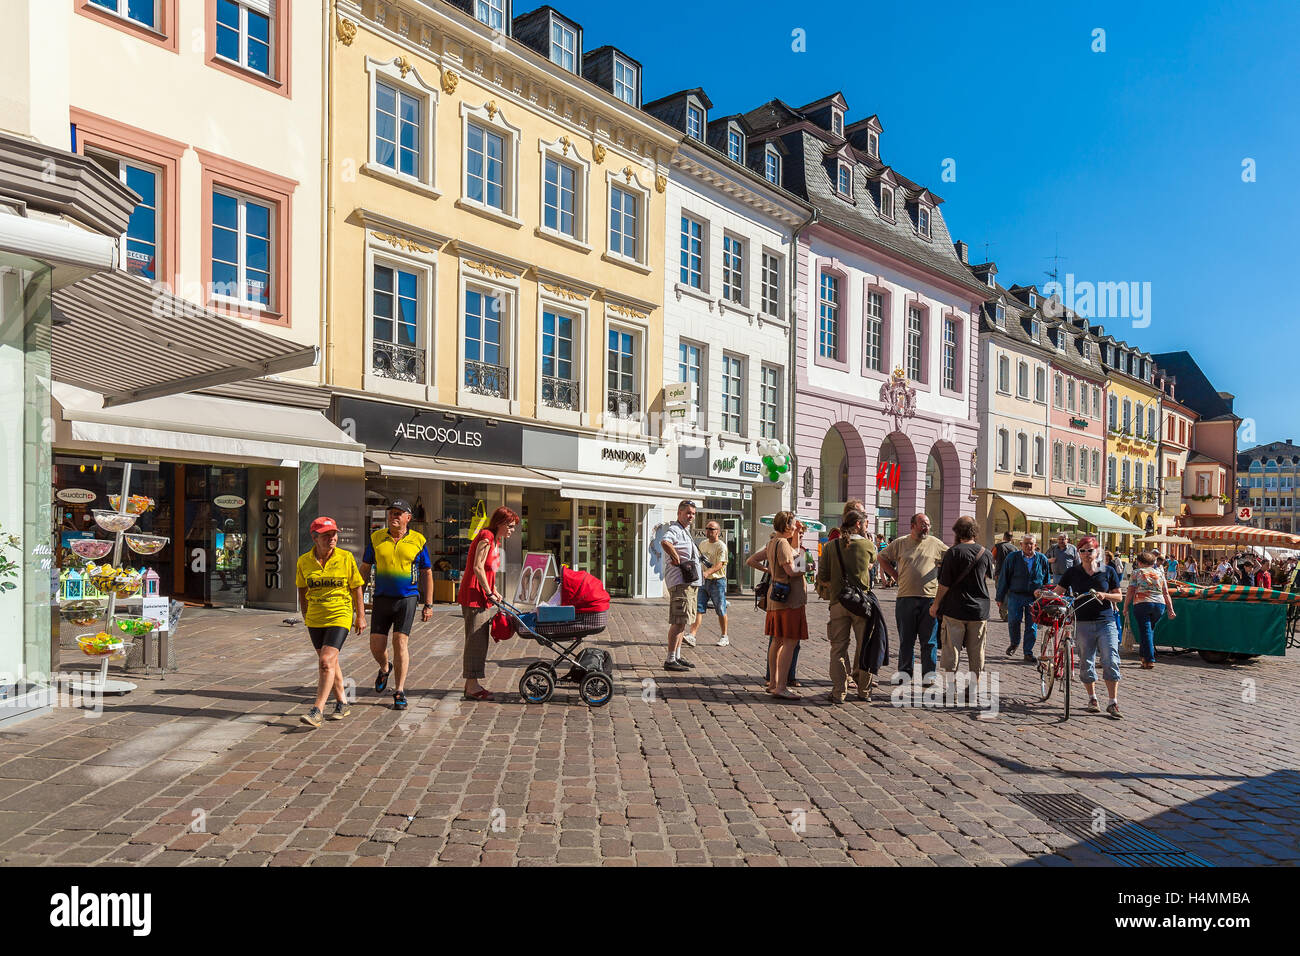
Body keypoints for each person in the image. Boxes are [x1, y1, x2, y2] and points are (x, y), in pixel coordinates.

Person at [360, 499, 432, 711]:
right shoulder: (376, 538)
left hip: (407, 598)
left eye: (400, 513)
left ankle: (399, 690)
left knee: (400, 642)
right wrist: (357, 599)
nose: (395, 516)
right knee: (376, 646)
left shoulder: (419, 540)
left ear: (408, 518)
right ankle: (385, 667)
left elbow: (427, 573)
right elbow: (365, 568)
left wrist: (428, 604)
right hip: (381, 598)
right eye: (392, 512)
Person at [295, 517, 365, 728]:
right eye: (326, 535)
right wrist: (306, 615)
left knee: (325, 661)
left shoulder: (346, 558)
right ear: (315, 538)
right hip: (315, 617)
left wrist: (360, 615)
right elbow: (302, 588)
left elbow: (356, 587)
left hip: (340, 614)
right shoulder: (303, 561)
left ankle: (317, 710)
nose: (332, 538)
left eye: (334, 534)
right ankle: (343, 703)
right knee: (330, 663)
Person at [1056, 535, 1125, 718]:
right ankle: (1092, 698)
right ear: (1078, 553)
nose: (1087, 554)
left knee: (1111, 659)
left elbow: (1119, 597)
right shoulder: (1073, 572)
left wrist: (1105, 595)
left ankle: (1113, 702)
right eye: (1083, 550)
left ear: (1097, 552)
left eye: (1090, 550)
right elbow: (1059, 592)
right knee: (1086, 662)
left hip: (1106, 621)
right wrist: (1046, 594)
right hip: (1082, 622)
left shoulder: (1107, 571)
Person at [456, 506, 519, 701]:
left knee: (478, 640)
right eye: (510, 526)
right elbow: (477, 566)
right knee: (476, 641)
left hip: (482, 594)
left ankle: (471, 685)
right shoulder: (486, 536)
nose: (512, 530)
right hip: (474, 595)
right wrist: (489, 591)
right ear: (500, 523)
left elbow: (487, 570)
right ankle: (472, 687)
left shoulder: (494, 539)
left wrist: (494, 590)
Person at [877, 513, 948, 685]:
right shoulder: (900, 543)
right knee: (906, 640)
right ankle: (905, 674)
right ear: (912, 525)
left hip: (929, 599)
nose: (926, 527)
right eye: (923, 523)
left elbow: (951, 559)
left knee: (929, 641)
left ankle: (929, 675)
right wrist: (895, 575)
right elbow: (881, 557)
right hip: (905, 599)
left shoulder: (935, 543)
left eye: (928, 524)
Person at [745, 511, 807, 700]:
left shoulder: (774, 542)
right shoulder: (782, 543)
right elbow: (792, 570)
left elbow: (754, 560)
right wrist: (806, 567)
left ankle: (773, 682)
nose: (797, 527)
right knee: (789, 641)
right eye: (795, 525)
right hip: (789, 600)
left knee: (777, 641)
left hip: (776, 598)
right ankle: (781, 686)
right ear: (788, 525)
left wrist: (770, 569)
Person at [931, 516, 994, 701]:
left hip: (955, 609)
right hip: (979, 610)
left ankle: (951, 688)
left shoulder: (953, 553)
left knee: (952, 650)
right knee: (977, 651)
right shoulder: (985, 552)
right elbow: (986, 578)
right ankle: (973, 688)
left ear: (957, 532)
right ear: (975, 531)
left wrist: (935, 605)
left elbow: (944, 584)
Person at [816, 509, 876, 703]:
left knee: (838, 648)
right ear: (859, 524)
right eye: (866, 523)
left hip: (838, 602)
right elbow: (871, 565)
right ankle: (864, 691)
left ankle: (838, 691)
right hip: (862, 604)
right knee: (864, 646)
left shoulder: (831, 546)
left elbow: (823, 577)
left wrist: (838, 585)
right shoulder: (868, 545)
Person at [996, 533, 1049, 664]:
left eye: (1031, 543)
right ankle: (1014, 643)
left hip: (1034, 598)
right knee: (1013, 621)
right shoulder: (1012, 558)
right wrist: (1000, 597)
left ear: (1035, 545)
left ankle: (1028, 652)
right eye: (1026, 543)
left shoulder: (1042, 559)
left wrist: (1044, 594)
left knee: (1032, 626)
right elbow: (1004, 578)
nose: (1028, 546)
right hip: (1015, 595)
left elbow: (1047, 580)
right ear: (1020, 545)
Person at [660, 500, 700, 672]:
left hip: (688, 583)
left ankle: (676, 656)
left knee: (683, 621)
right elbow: (665, 542)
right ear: (679, 513)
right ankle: (670, 659)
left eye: (693, 513)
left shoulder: (685, 530)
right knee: (678, 621)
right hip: (680, 582)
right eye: (688, 513)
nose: (691, 516)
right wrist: (676, 558)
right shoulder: (675, 529)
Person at [1123, 550, 1176, 669]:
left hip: (1142, 603)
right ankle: (1143, 657)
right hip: (1159, 605)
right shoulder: (1160, 573)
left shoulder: (1137, 572)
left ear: (1139, 562)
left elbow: (1131, 591)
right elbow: (1166, 593)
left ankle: (1149, 659)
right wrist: (1170, 609)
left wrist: (1125, 606)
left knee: (1145, 630)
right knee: (1148, 630)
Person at [686, 520, 730, 647]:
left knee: (721, 609)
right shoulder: (703, 544)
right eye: (707, 528)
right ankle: (692, 635)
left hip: (718, 581)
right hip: (703, 582)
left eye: (712, 529)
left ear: (718, 531)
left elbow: (720, 564)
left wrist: (708, 572)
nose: (709, 531)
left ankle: (724, 636)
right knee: (699, 608)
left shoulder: (721, 546)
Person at [992, 532, 1016, 620]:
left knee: (1000, 594)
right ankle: (1009, 613)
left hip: (999, 574)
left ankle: (1004, 614)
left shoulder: (998, 546)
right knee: (1009, 594)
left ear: (1003, 537)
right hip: (1011, 575)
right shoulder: (1015, 548)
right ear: (1011, 538)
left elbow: (992, 558)